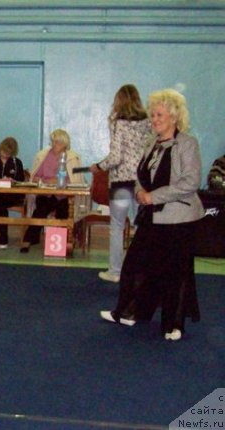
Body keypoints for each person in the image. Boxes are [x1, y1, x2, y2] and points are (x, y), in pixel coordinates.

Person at [100, 88, 203, 341]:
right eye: (153, 114)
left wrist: (153, 197)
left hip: (179, 219)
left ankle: (174, 325)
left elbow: (191, 182)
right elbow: (140, 176)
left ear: (174, 117)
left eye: (159, 115)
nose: (154, 119)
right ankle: (127, 311)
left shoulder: (188, 144)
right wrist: (139, 192)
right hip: (152, 218)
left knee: (175, 273)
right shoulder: (151, 144)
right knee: (135, 265)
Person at [90, 84, 151, 283]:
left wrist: (99, 166)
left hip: (122, 182)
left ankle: (115, 271)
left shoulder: (118, 123)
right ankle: (141, 269)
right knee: (141, 226)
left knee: (117, 226)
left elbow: (115, 157)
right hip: (142, 180)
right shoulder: (147, 122)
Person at [20, 129, 84, 253]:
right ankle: (28, 239)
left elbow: (76, 180)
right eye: (53, 142)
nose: (54, 145)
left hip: (64, 195)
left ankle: (64, 242)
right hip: (46, 193)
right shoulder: (43, 155)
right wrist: (45, 181)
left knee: (64, 211)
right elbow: (35, 176)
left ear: (65, 144)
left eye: (58, 142)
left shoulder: (72, 158)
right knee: (40, 210)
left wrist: (61, 182)